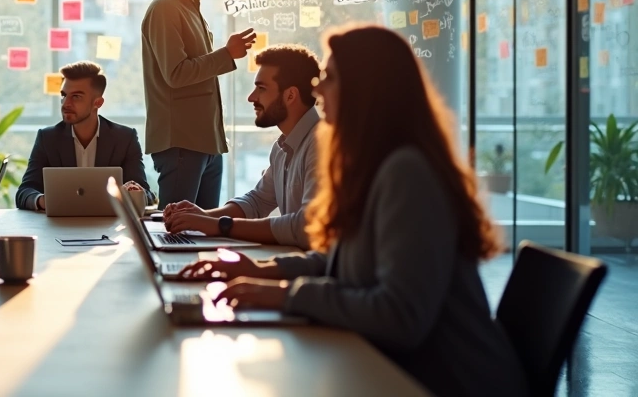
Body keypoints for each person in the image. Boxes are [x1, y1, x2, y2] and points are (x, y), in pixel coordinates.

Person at [177, 24, 527, 397]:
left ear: (365, 91)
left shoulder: (407, 172)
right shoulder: (372, 165)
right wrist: (261, 272)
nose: (317, 90)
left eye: (329, 78)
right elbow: (338, 261)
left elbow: (399, 315)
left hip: (452, 383)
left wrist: (284, 294)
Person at [161, 44, 321, 247]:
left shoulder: (323, 145)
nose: (251, 97)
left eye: (261, 88)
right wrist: (203, 216)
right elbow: (257, 201)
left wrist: (220, 225)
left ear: (290, 95)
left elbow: (306, 226)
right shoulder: (282, 147)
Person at [141, 0, 255, 208]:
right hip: (182, 143)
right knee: (176, 228)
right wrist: (226, 54)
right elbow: (176, 73)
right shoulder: (165, 7)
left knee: (202, 227)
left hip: (206, 142)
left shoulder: (188, 6)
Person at [17, 61, 152, 211]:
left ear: (98, 103)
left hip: (110, 224)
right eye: (64, 95)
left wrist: (134, 193)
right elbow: (24, 192)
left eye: (76, 97)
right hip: (61, 223)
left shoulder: (125, 139)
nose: (65, 104)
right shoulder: (47, 139)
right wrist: (43, 201)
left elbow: (146, 194)